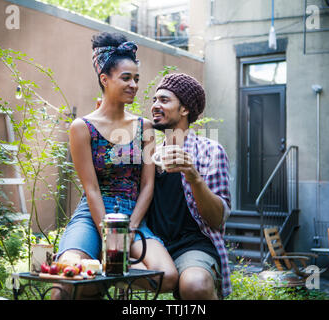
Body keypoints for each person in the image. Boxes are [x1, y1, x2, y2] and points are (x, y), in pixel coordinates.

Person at [52, 32, 178, 299]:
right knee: (64, 283)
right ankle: (105, 278)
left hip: (132, 217)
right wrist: (108, 236)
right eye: (126, 78)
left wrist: (128, 230)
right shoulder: (81, 128)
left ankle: (109, 280)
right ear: (104, 79)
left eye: (136, 79)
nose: (133, 85)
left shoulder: (144, 127)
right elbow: (91, 189)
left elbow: (147, 185)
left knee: (167, 277)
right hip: (92, 216)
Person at [147, 73, 232, 299]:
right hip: (151, 245)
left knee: (195, 285)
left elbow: (217, 219)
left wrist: (193, 176)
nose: (155, 105)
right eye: (154, 100)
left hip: (193, 245)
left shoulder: (210, 152)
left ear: (184, 109)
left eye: (164, 100)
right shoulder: (147, 153)